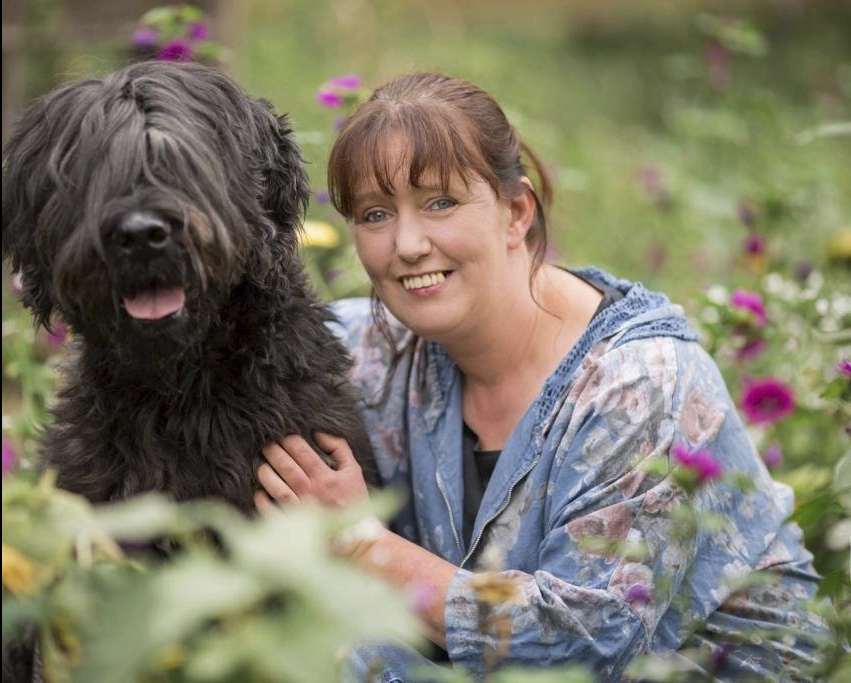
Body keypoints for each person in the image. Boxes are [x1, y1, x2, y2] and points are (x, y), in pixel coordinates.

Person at [254, 72, 829, 681]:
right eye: (375, 214)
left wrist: (360, 543)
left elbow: (581, 641)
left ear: (517, 213)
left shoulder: (640, 383)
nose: (408, 243)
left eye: (440, 202)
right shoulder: (376, 348)